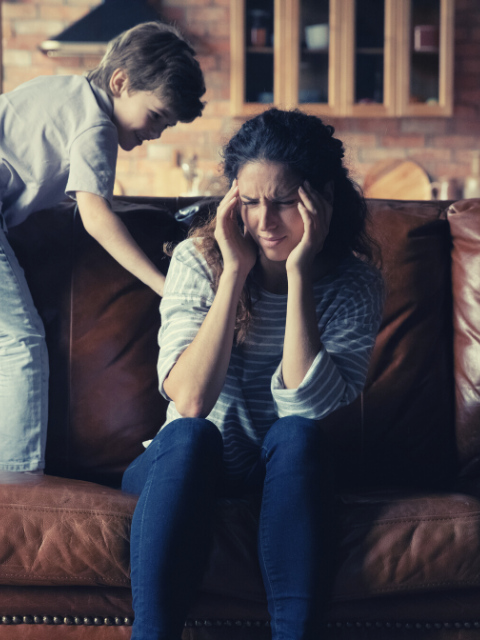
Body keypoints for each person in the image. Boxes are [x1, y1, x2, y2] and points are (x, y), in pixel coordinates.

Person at [122, 108, 384, 640]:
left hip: (283, 474)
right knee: (193, 435)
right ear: (230, 201)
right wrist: (235, 271)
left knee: (296, 435)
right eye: (250, 202)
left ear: (322, 201)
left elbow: (306, 409)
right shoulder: (198, 260)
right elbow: (191, 400)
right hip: (183, 469)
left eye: (285, 202)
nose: (265, 222)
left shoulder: (355, 285)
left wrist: (299, 273)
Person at [0, 21, 205, 476]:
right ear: (120, 82)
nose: (156, 133)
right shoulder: (97, 125)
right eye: (155, 116)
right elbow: (96, 216)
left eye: (166, 125)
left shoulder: (63, 92)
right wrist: (165, 285)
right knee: (20, 344)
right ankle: (16, 493)